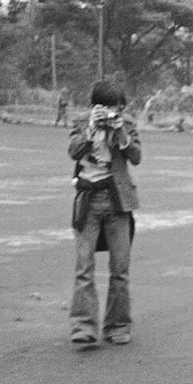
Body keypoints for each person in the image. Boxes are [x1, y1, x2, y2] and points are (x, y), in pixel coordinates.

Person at [67, 80, 142, 346]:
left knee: (120, 269)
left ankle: (117, 325)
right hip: (88, 199)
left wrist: (121, 132)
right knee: (83, 267)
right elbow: (73, 151)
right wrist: (91, 129)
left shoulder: (127, 123)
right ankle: (83, 326)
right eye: (108, 107)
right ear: (96, 106)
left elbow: (136, 157)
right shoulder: (81, 122)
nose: (113, 112)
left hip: (118, 201)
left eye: (118, 108)